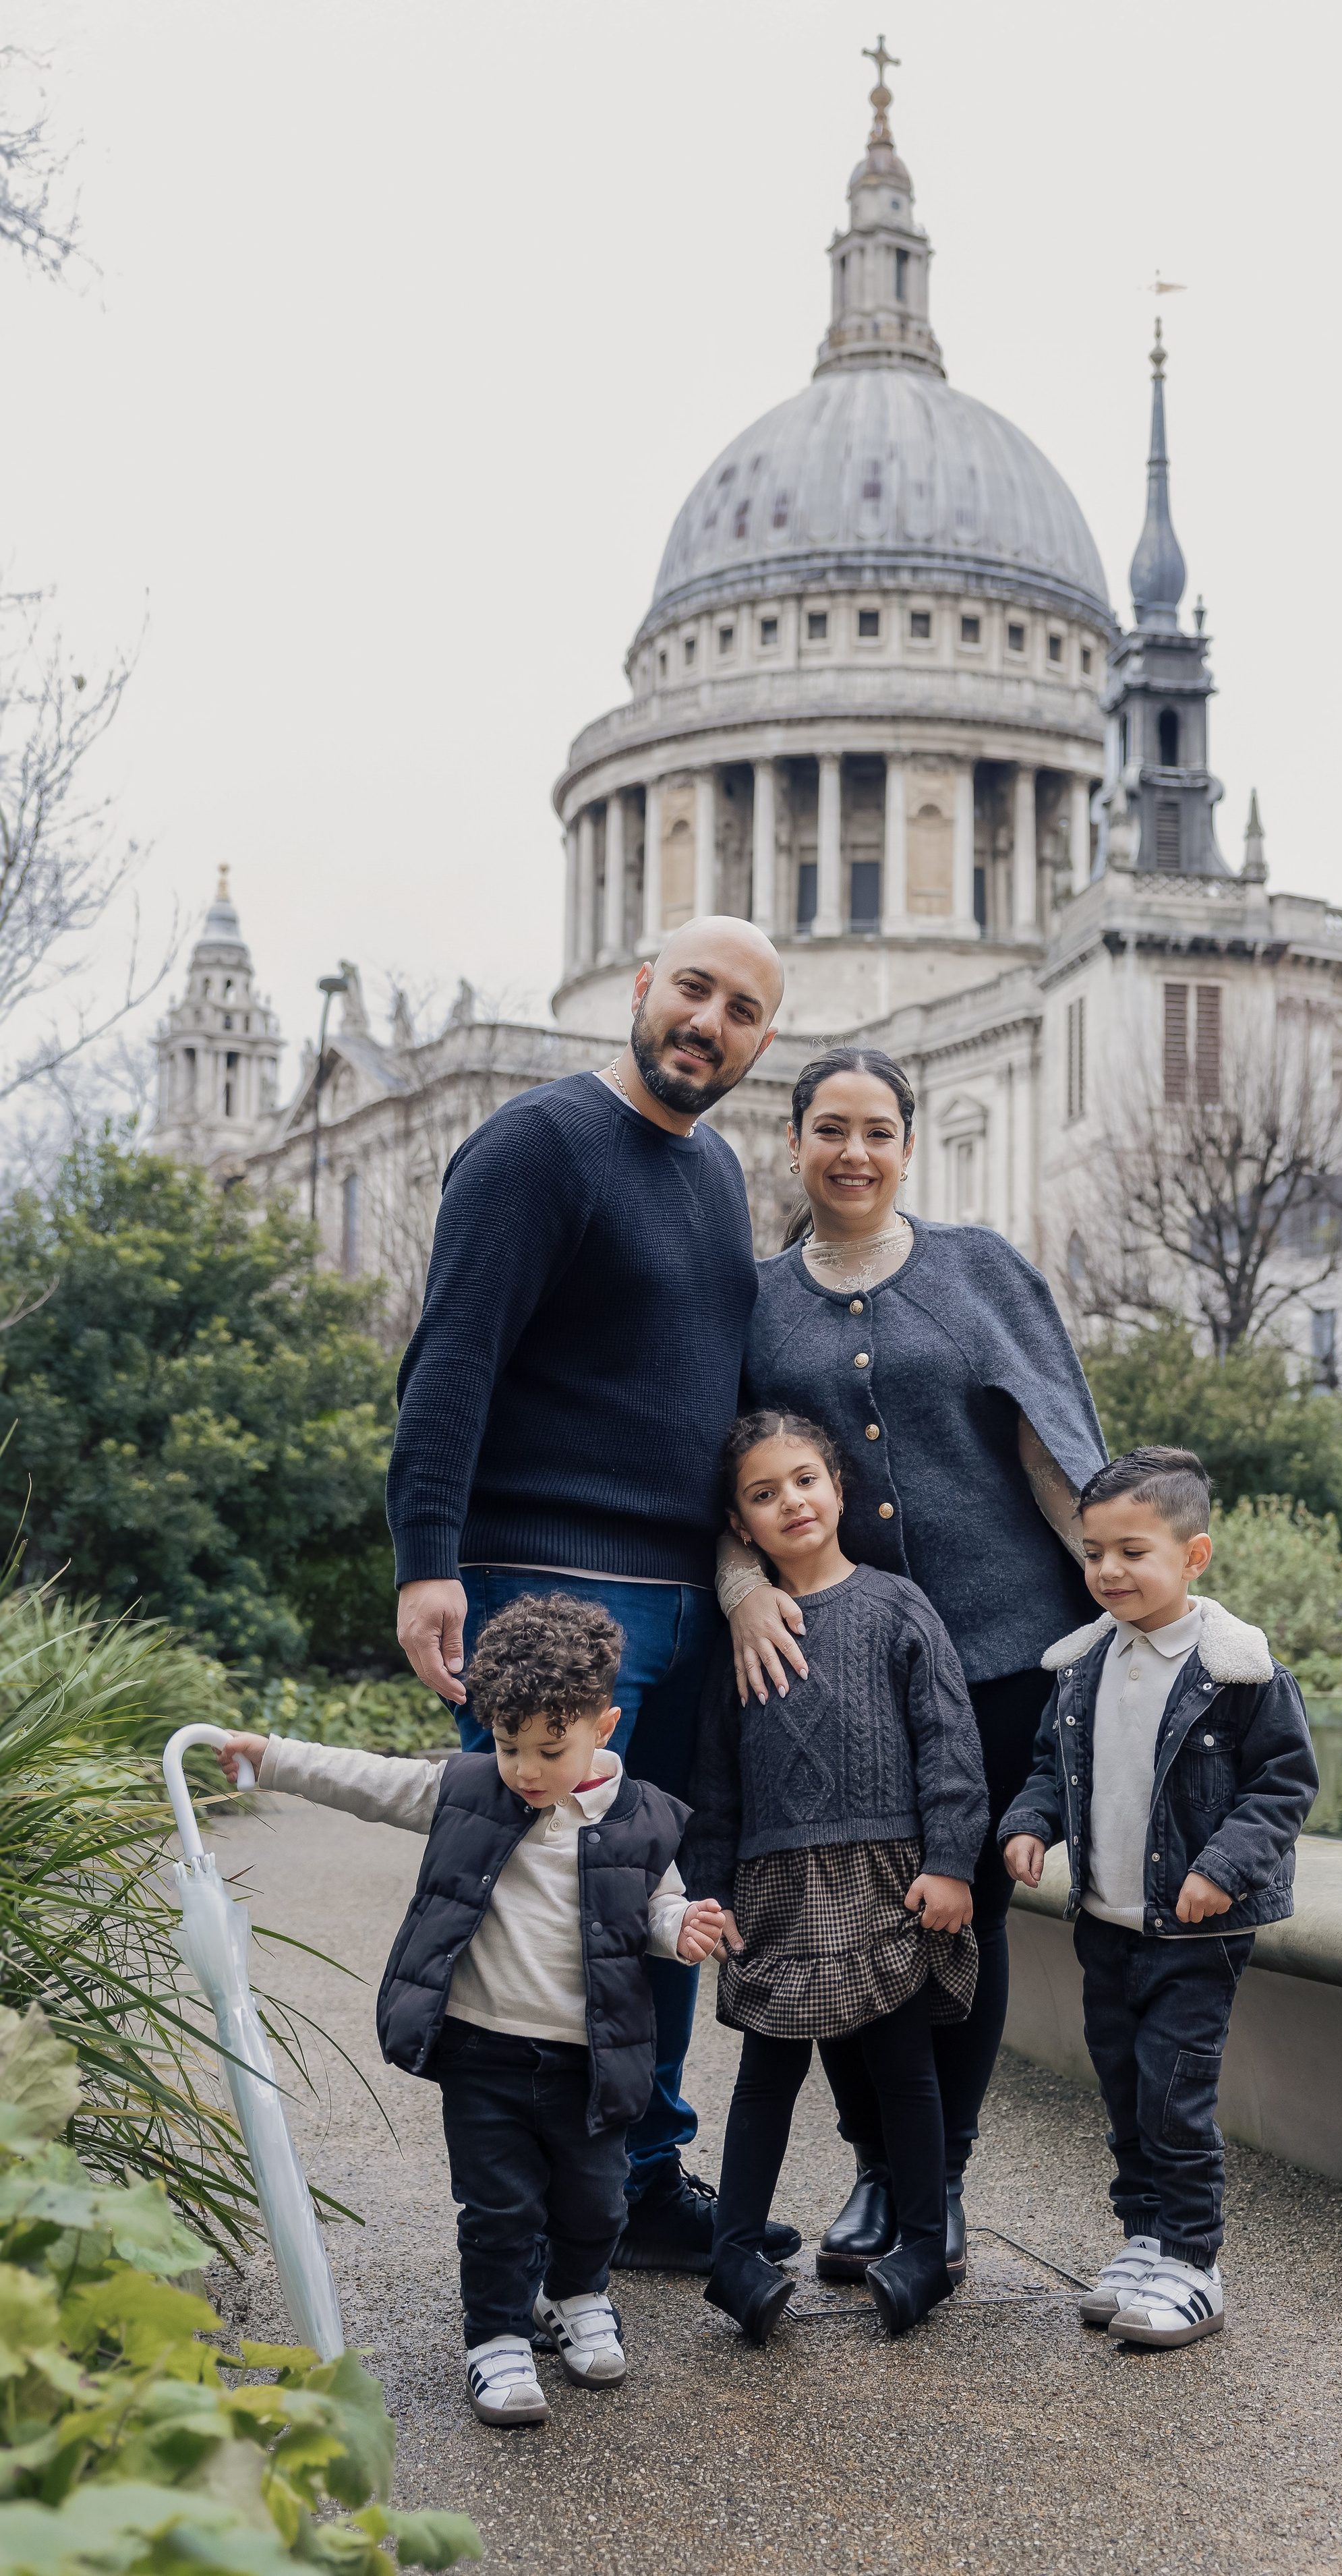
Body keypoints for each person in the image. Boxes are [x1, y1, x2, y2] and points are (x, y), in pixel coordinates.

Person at [387, 915, 798, 2273]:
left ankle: (635, 2172)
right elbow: (450, 1361)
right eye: (691, 989)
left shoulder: (715, 1175)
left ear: (758, 1039)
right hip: (543, 1592)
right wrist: (425, 1557)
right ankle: (533, 2218)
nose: (708, 1022)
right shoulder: (536, 1144)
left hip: (681, 1597)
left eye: (741, 1008)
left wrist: (744, 1571)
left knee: (654, 1895)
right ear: (638, 989)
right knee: (540, 1915)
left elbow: (724, 1402)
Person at [725, 1045, 1105, 2280]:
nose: (854, 1153)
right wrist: (740, 1592)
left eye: (878, 1130)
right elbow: (715, 1476)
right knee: (841, 1909)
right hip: (832, 1664)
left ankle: (935, 2184)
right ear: (794, 1145)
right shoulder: (756, 1299)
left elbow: (1057, 1450)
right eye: (830, 1129)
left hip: (1001, 1650)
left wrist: (1124, 1607)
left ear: (907, 1143)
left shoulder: (978, 1269)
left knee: (962, 1912)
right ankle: (877, 2167)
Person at [216, 1594, 728, 2427]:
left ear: (605, 1725)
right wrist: (269, 1757)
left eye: (548, 1748)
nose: (524, 1768)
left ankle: (574, 2295)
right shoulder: (467, 1790)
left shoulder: (647, 1821)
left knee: (598, 2202)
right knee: (499, 2208)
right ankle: (495, 2335)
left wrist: (685, 1930)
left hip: (590, 2059)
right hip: (484, 2054)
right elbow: (367, 1779)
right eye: (506, 1743)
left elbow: (659, 1912)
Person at [1000, 1444, 1319, 2349]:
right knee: (1126, 2088)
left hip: (1194, 1933)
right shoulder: (1083, 1667)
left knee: (1175, 2094)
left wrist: (1222, 1867)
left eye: (1132, 1551)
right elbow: (1050, 1772)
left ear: (1194, 1555)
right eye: (1095, 1552)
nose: (1108, 1570)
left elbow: (1283, 1789)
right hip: (1105, 1923)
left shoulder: (1239, 1674)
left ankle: (1193, 2260)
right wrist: (1030, 1823)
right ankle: (1144, 2238)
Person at [684, 1411, 988, 2342]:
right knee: (765, 2077)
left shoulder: (898, 1605)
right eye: (764, 1494)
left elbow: (949, 1744)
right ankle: (733, 2254)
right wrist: (709, 1889)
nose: (792, 1503)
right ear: (741, 1524)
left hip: (885, 1877)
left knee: (906, 2074)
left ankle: (924, 2251)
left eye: (806, 1480)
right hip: (774, 1889)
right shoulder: (741, 1636)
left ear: (840, 1487)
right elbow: (715, 1779)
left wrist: (949, 1861)